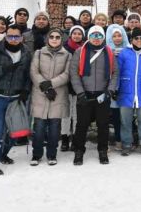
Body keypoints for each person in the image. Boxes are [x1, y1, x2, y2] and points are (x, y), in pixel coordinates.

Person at [0, 24, 33, 175]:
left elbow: (28, 75)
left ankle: (3, 153)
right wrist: (3, 69)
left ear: (21, 37)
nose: (13, 39)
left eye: (16, 36)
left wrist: (25, 90)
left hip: (16, 97)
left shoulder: (26, 53)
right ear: (5, 37)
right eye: (10, 36)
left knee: (16, 130)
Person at [69, 25, 114, 165]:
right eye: (94, 35)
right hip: (85, 93)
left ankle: (102, 150)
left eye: (99, 36)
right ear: (89, 37)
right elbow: (74, 73)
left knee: (103, 124)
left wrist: (110, 90)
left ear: (103, 37)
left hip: (103, 93)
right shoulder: (80, 51)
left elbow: (116, 73)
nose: (96, 38)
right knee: (81, 124)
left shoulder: (109, 52)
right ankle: (79, 150)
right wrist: (80, 92)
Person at [109, 27, 141, 156]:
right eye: (136, 38)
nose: (139, 41)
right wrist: (116, 88)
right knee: (125, 120)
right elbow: (117, 72)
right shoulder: (124, 53)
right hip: (125, 92)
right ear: (131, 40)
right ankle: (127, 143)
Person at [29, 28, 71, 166]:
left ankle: (52, 154)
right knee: (39, 127)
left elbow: (67, 74)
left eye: (57, 37)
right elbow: (34, 71)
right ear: (47, 39)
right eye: (51, 37)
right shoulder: (39, 53)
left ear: (61, 39)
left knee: (54, 128)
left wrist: (52, 84)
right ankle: (36, 154)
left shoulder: (67, 55)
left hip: (57, 95)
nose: (54, 39)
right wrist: (45, 86)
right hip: (40, 94)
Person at [61, 25, 85, 152]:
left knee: (77, 115)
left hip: (79, 86)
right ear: (70, 35)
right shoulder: (64, 48)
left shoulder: (85, 49)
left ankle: (76, 139)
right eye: (74, 33)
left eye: (79, 34)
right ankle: (64, 138)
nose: (77, 36)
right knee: (66, 114)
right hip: (65, 85)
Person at [106, 24, 129, 150]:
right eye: (114, 36)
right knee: (114, 116)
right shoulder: (106, 51)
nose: (117, 38)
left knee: (125, 116)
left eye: (119, 35)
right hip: (112, 87)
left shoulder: (128, 50)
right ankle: (115, 139)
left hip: (126, 87)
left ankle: (124, 139)